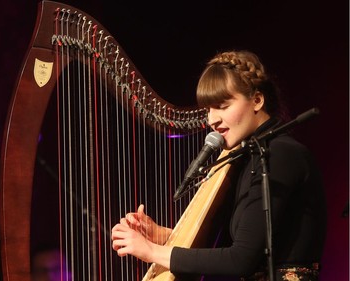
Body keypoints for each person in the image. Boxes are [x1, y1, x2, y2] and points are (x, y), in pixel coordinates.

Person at [111, 50, 327, 280]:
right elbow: (235, 246)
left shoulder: (280, 154)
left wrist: (152, 252)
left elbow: (240, 260)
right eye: (208, 109)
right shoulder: (245, 158)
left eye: (222, 106)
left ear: (257, 100)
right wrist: (164, 236)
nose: (212, 119)